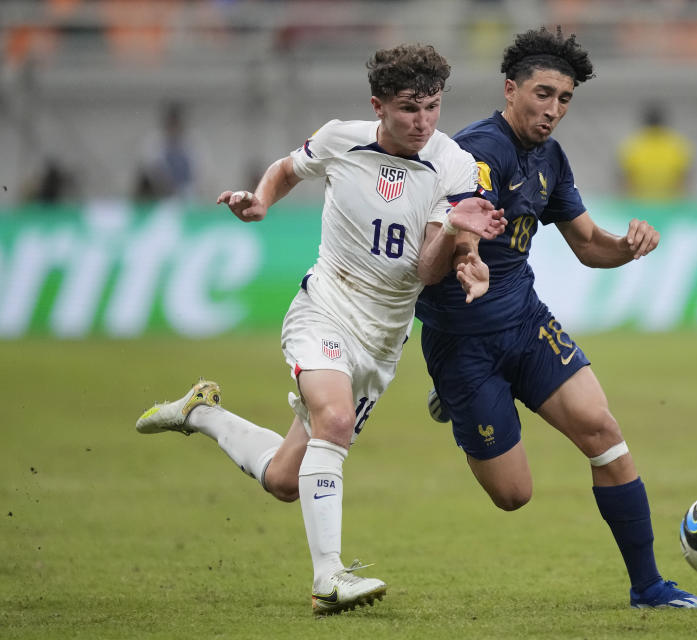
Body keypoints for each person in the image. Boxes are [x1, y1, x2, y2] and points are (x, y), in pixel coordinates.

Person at [134, 43, 506, 616]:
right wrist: (260, 200)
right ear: (378, 106)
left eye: (432, 107)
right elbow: (288, 168)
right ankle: (329, 577)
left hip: (383, 340)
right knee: (334, 420)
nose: (423, 121)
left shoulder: (452, 163)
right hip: (326, 308)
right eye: (410, 108)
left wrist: (461, 243)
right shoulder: (340, 138)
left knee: (286, 479)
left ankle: (199, 413)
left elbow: (428, 271)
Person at [416, 27, 697, 610]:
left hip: (526, 323)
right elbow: (457, 232)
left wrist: (628, 246)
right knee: (513, 495)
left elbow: (587, 246)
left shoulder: (549, 157)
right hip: (463, 341)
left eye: (565, 99)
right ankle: (456, 396)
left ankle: (649, 587)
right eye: (543, 94)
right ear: (510, 89)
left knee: (602, 432)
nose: (553, 110)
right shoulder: (479, 151)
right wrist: (471, 261)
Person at [617, 100, 693, 201]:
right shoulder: (678, 145)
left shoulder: (631, 146)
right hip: (670, 204)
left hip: (639, 204)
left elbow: (625, 180)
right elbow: (684, 179)